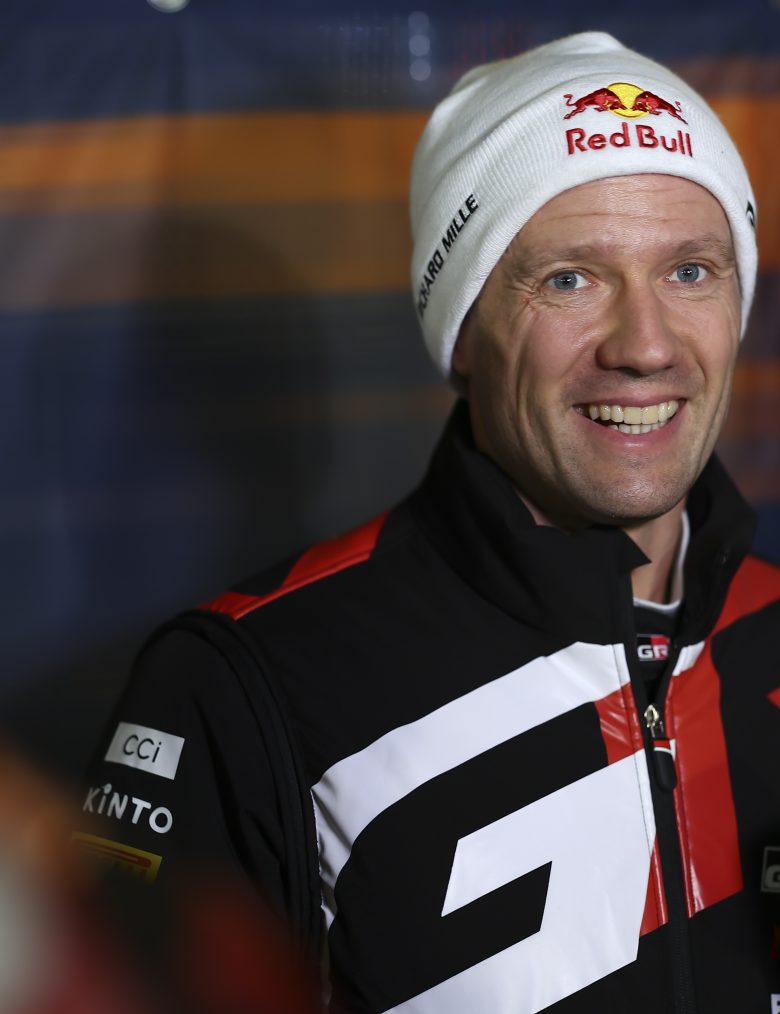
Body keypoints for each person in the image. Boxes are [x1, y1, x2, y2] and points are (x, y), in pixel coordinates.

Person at [77, 32, 780, 1013]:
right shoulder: (243, 684)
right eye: (570, 278)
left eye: (691, 271)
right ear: (462, 335)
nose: (646, 345)